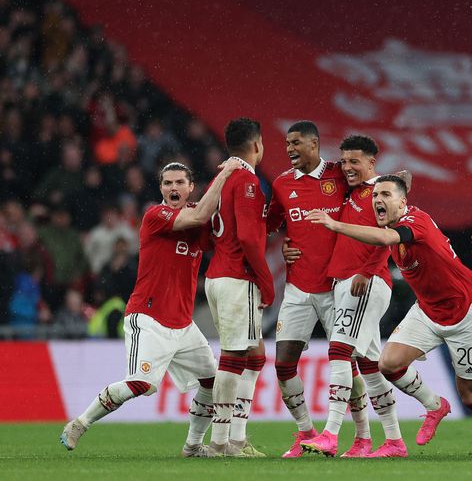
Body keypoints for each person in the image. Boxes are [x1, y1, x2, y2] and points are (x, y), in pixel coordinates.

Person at [306, 175, 472, 459]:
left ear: (403, 202)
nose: (378, 200)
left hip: (464, 311)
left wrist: (334, 225)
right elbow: (383, 239)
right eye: (375, 196)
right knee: (389, 363)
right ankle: (434, 405)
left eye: (385, 195)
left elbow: (384, 238)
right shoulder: (393, 223)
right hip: (427, 310)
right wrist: (367, 270)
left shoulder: (413, 223)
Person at [59, 158, 242, 457]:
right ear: (161, 188)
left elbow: (221, 230)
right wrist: (225, 174)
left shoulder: (197, 220)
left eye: (180, 182)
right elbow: (200, 217)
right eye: (168, 182)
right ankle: (80, 423)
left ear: (190, 187)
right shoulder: (155, 216)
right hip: (149, 318)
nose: (173, 187)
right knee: (140, 384)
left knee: (212, 382)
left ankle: (193, 446)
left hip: (183, 324)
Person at [264, 122, 371, 458]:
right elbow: (270, 225)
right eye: (286, 144)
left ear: (315, 143)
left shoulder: (341, 175)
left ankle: (363, 437)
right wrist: (282, 247)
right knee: (283, 365)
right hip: (297, 288)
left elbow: (389, 185)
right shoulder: (282, 183)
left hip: (336, 287)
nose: (290, 149)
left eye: (296, 143)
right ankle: (305, 432)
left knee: (347, 364)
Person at [299, 135, 408, 458]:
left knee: (339, 350)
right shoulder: (354, 192)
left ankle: (331, 434)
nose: (347, 167)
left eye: (354, 161)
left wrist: (368, 269)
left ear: (372, 162)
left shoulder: (380, 193)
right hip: (346, 280)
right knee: (369, 364)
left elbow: (390, 233)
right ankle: (392, 441)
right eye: (344, 161)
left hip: (365, 281)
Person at [204, 118, 275, 457]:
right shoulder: (247, 180)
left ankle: (236, 438)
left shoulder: (220, 179)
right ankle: (221, 443)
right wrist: (266, 279)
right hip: (236, 278)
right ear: (257, 144)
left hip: (216, 276)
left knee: (255, 356)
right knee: (232, 358)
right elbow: (247, 237)